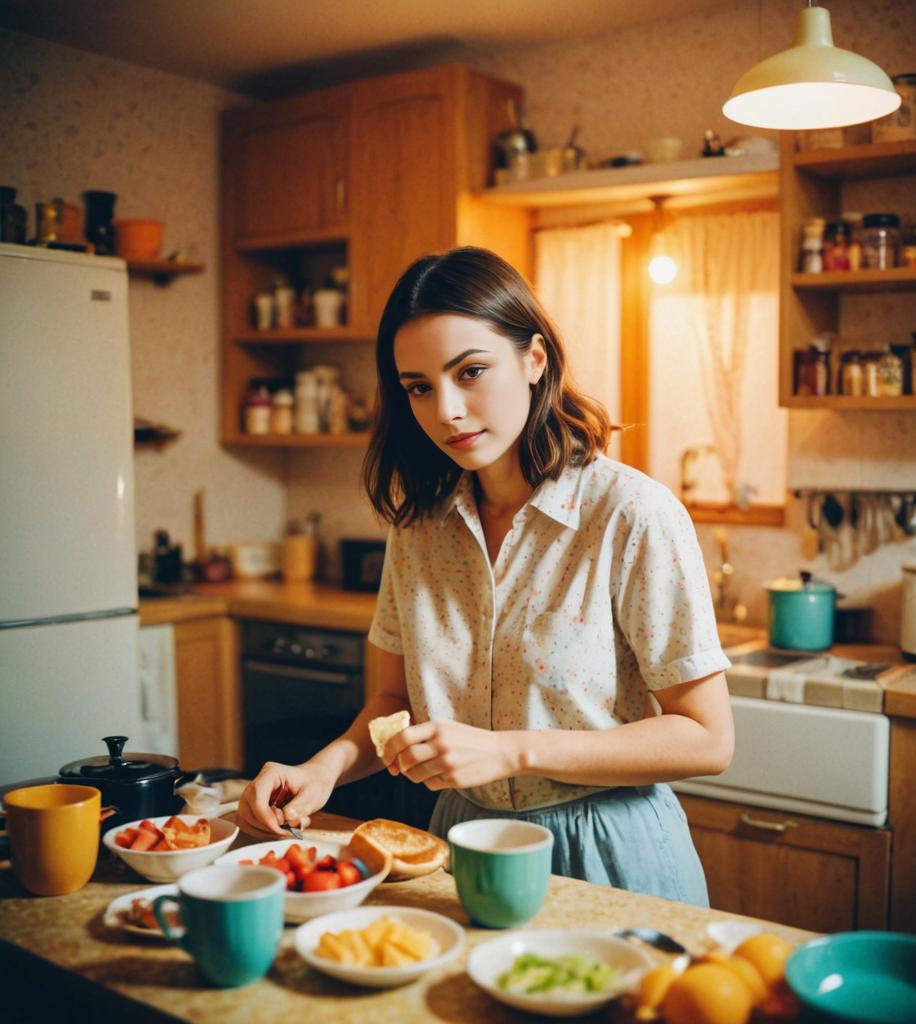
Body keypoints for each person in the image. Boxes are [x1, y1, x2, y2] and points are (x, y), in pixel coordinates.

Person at [237, 246, 734, 904]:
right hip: (460, 845)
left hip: (607, 851)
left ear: (534, 360)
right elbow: (395, 706)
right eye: (418, 387)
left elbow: (706, 739)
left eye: (470, 371)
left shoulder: (630, 513)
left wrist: (511, 751)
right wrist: (323, 770)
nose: (445, 409)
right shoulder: (417, 526)